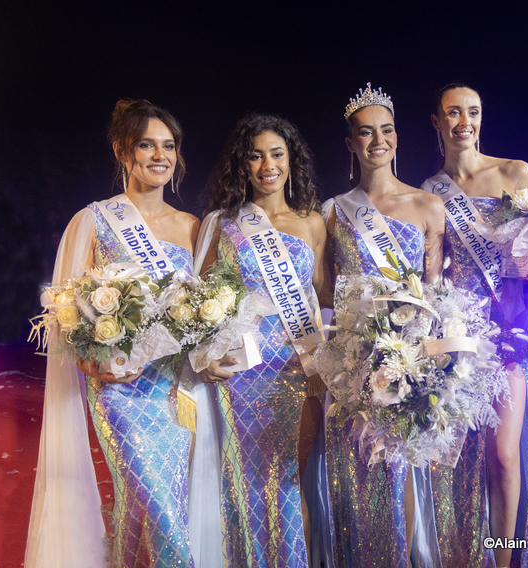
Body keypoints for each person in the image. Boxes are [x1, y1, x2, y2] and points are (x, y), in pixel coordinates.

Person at [25, 99, 200, 567]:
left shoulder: (191, 228)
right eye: (146, 144)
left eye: (168, 146)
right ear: (125, 152)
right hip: (119, 390)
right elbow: (66, 311)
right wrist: (89, 360)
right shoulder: (95, 219)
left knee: (160, 508)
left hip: (176, 390)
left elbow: (203, 314)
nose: (159, 155)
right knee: (151, 500)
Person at [195, 113, 332, 567]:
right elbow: (199, 299)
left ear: (291, 161)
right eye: (255, 156)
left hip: (299, 365)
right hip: (243, 369)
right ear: (243, 164)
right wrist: (205, 355)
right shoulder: (222, 222)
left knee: (293, 480)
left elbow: (325, 297)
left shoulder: (313, 222)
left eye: (277, 154)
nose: (266, 165)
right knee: (246, 481)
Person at [324, 83, 446, 567]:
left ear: (397, 137)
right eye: (365, 132)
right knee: (356, 476)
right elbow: (321, 292)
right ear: (351, 143)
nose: (378, 140)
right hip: (352, 365)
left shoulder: (427, 206)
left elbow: (433, 296)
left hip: (406, 362)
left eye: (387, 130)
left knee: (403, 473)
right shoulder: (332, 211)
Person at [421, 83, 528, 568]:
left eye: (472, 112)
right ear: (437, 121)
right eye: (453, 113)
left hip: (510, 327)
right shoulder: (429, 191)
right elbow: (432, 271)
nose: (463, 122)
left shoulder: (515, 172)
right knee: (461, 455)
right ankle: (466, 552)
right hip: (461, 333)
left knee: (504, 454)